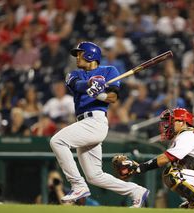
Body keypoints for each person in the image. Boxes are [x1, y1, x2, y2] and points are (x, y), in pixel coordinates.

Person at [49, 41, 149, 207]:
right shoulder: (74, 74)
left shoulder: (110, 71)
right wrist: (90, 85)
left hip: (95, 121)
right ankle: (136, 191)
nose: (77, 57)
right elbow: (76, 85)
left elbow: (113, 98)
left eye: (80, 54)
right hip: (83, 123)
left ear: (90, 55)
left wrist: (99, 95)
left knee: (57, 141)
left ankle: (77, 185)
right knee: (95, 176)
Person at [120, 108, 194, 209]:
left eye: (172, 121)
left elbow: (165, 158)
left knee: (172, 174)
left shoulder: (186, 135)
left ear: (182, 122)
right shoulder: (191, 134)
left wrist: (140, 167)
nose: (168, 125)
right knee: (176, 168)